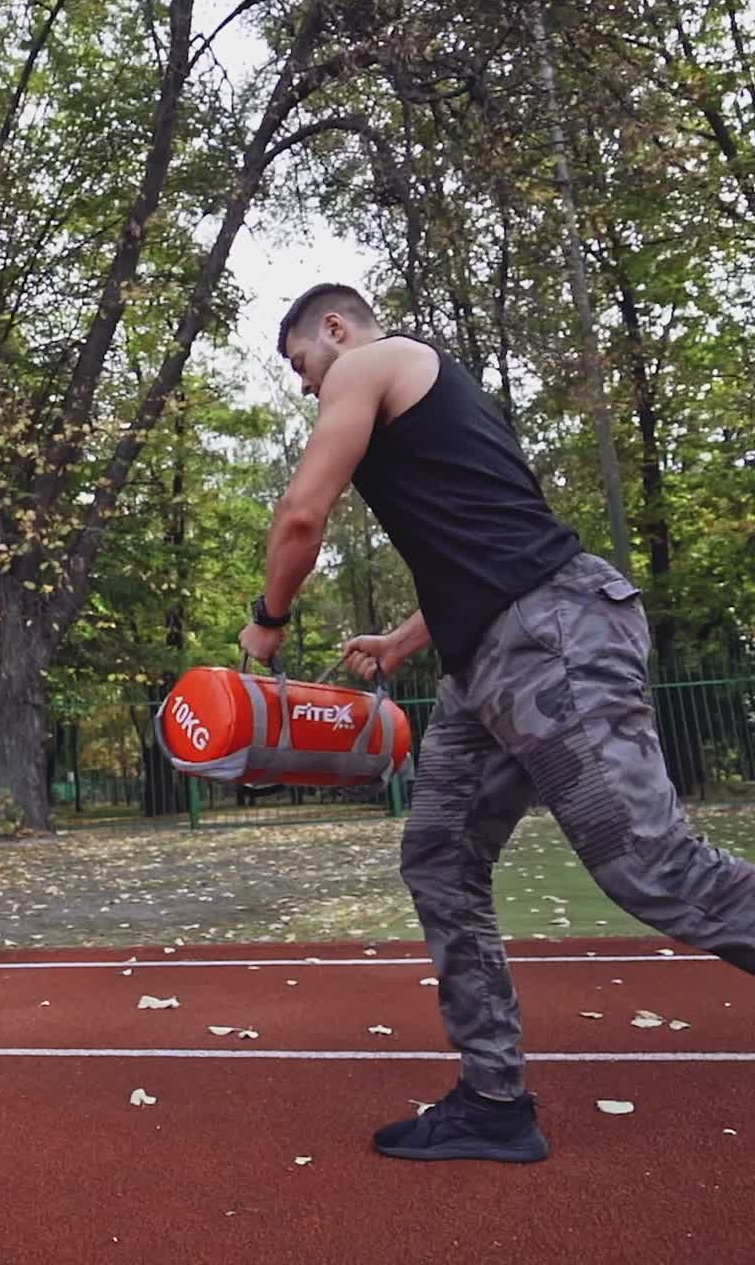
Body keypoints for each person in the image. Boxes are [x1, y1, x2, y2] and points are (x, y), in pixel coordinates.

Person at [237, 282, 755, 1164]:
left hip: (552, 634)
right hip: (491, 655)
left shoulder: (368, 362)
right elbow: (487, 542)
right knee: (439, 858)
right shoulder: (440, 396)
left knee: (648, 865)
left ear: (333, 329)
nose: (302, 386)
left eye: (298, 364)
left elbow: (300, 515)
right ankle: (494, 1102)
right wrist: (405, 638)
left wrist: (268, 622)